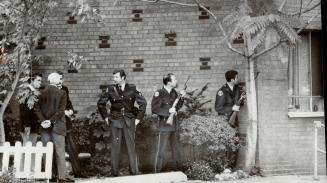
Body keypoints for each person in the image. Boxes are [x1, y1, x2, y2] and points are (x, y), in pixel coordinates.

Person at [97, 69, 147, 177]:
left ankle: (134, 172)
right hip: (115, 121)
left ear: (123, 77)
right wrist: (106, 117)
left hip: (129, 120)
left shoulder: (132, 88)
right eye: (113, 77)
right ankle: (114, 173)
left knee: (131, 147)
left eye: (116, 77)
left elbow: (143, 103)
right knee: (115, 147)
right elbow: (101, 104)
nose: (114, 79)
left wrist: (138, 119)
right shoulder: (110, 89)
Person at [34, 72, 74, 183]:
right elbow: (61, 111)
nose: (60, 81)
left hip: (44, 127)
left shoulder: (41, 93)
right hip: (58, 126)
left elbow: (36, 109)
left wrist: (43, 121)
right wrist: (51, 121)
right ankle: (62, 177)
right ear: (56, 81)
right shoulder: (62, 93)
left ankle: (50, 175)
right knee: (60, 151)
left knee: (47, 151)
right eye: (59, 79)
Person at [151, 73, 186, 173]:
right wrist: (168, 112)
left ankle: (177, 171)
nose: (176, 81)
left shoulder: (174, 93)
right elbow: (155, 109)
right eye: (174, 80)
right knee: (161, 150)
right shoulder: (159, 93)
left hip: (174, 125)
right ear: (169, 82)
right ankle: (157, 172)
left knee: (176, 149)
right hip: (164, 125)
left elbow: (177, 107)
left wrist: (182, 98)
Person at [214, 70, 243, 169]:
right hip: (226, 121)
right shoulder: (222, 91)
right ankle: (225, 167)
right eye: (236, 78)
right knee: (226, 144)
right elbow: (218, 108)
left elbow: (238, 103)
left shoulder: (236, 89)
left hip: (234, 121)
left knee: (234, 143)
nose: (237, 79)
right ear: (232, 79)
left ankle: (231, 166)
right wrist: (232, 108)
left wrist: (241, 100)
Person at [57, 71, 82, 178]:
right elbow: (52, 107)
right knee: (58, 149)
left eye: (62, 78)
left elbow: (68, 102)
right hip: (57, 124)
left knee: (73, 147)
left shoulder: (65, 89)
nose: (60, 81)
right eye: (58, 78)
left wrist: (71, 110)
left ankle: (77, 172)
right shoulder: (51, 90)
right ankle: (59, 174)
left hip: (67, 123)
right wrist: (64, 112)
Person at [19, 72, 42, 146]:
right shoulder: (26, 92)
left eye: (41, 81)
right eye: (38, 80)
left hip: (33, 126)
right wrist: (27, 125)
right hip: (28, 126)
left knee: (32, 148)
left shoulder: (35, 92)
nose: (40, 83)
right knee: (27, 148)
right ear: (32, 81)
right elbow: (23, 110)